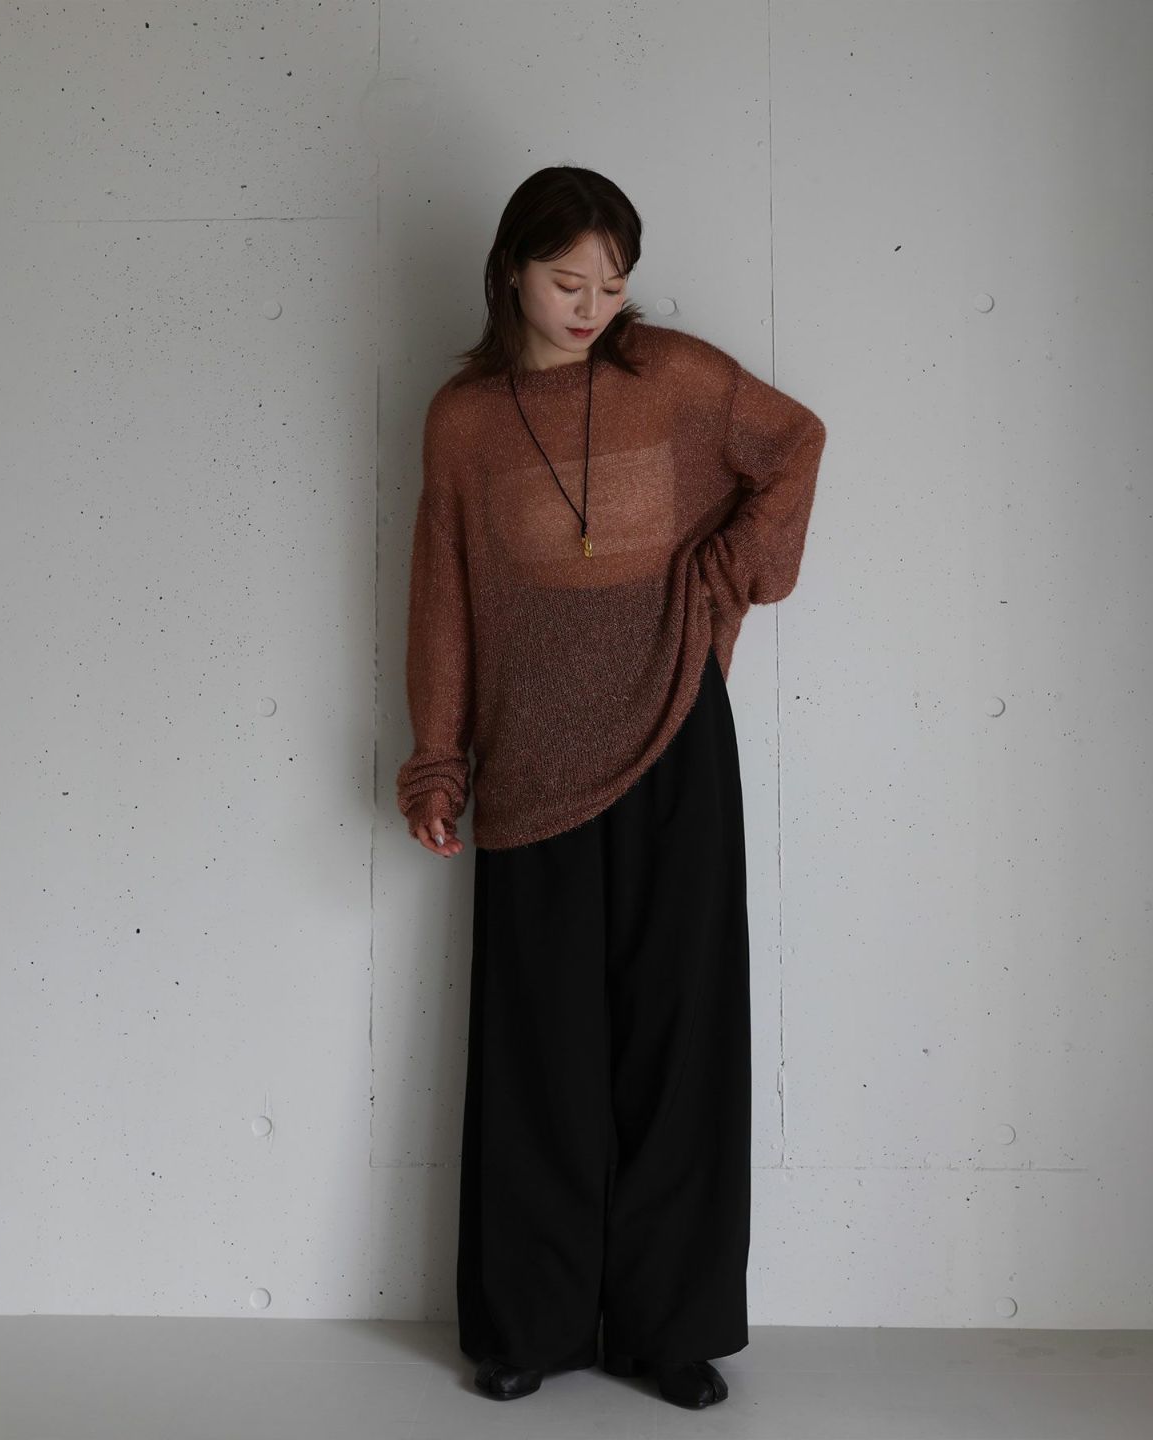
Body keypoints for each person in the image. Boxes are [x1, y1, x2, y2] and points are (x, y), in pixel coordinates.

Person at [395, 165, 827, 1410]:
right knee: (540, 1052)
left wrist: (728, 574)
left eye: (613, 284)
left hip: (675, 736)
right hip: (531, 763)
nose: (592, 307)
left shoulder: (673, 378)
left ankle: (667, 1329)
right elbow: (443, 592)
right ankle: (527, 1327)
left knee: (680, 1041)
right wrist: (438, 756)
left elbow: (793, 445)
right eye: (567, 282)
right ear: (509, 275)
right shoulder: (464, 421)